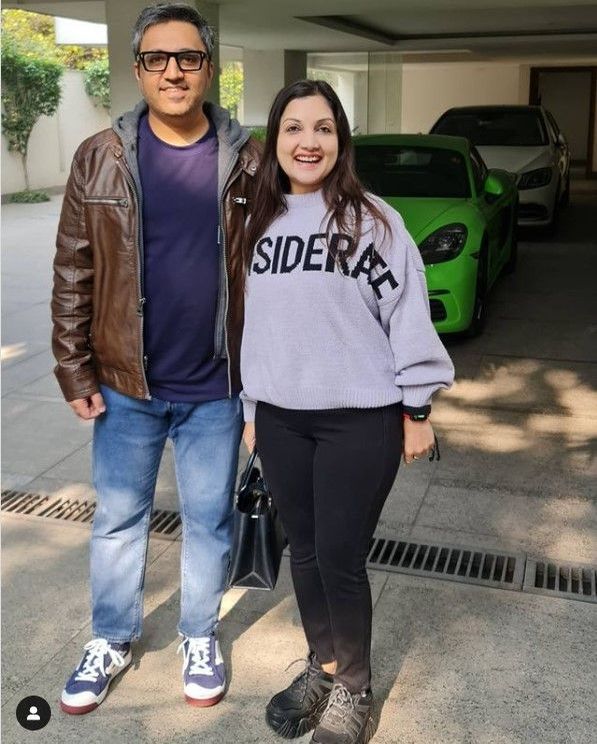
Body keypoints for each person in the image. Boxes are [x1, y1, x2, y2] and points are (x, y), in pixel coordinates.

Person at [51, 3, 259, 714]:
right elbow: (74, 269)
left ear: (209, 65)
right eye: (157, 59)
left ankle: (199, 634)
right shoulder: (99, 156)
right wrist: (73, 368)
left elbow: (273, 272)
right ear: (138, 68)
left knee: (209, 521)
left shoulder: (247, 157)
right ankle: (111, 636)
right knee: (117, 520)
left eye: (188, 57)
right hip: (124, 384)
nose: (173, 71)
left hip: (216, 390)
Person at [240, 80, 454, 744]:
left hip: (358, 419)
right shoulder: (259, 221)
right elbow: (256, 328)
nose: (309, 142)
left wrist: (416, 410)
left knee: (337, 553)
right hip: (279, 417)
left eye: (323, 128)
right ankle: (321, 664)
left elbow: (407, 320)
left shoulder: (375, 222)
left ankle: (353, 688)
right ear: (274, 141)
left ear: (341, 140)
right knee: (302, 550)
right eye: (294, 128)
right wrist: (252, 407)